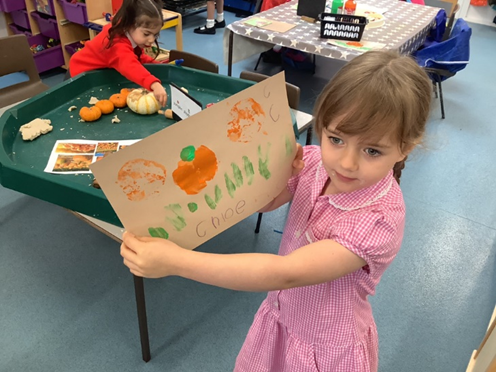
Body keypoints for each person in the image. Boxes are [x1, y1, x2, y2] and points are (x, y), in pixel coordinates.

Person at [120, 50, 432, 371]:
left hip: (324, 345)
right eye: (336, 139)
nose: (347, 163)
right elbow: (264, 202)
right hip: (282, 317)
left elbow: (286, 272)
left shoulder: (378, 221)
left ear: (405, 146)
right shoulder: (314, 162)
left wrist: (176, 261)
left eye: (371, 150)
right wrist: (273, 174)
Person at [69, 0, 167, 107]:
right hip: (80, 76)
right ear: (130, 25)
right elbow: (130, 66)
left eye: (155, 35)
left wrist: (158, 64)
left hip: (99, 74)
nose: (151, 40)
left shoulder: (127, 31)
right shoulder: (116, 44)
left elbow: (137, 58)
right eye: (147, 34)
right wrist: (154, 84)